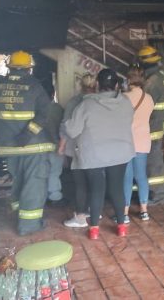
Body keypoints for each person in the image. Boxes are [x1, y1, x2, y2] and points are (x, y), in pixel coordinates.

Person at [0, 51, 55, 236]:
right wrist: (28, 133)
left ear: (9, 67)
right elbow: (45, 112)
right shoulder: (33, 86)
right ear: (28, 69)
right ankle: (29, 225)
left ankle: (19, 214)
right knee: (34, 183)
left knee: (19, 181)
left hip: (9, 148)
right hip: (32, 147)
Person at [60, 69, 135, 240]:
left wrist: (67, 124)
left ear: (97, 85)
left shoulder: (86, 105)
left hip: (93, 155)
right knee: (117, 189)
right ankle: (121, 227)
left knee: (96, 190)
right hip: (120, 152)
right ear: (117, 85)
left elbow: (72, 130)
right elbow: (129, 121)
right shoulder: (125, 102)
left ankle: (94, 230)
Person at [60, 73, 96, 228]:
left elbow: (65, 126)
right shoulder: (101, 101)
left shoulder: (74, 102)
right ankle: (93, 211)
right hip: (97, 147)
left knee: (80, 182)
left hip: (77, 146)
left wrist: (62, 145)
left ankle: (80, 217)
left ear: (80, 85)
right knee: (95, 181)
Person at [137, 45, 164, 204]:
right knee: (152, 163)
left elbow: (142, 104)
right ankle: (154, 194)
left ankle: (159, 196)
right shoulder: (159, 77)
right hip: (155, 127)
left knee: (154, 164)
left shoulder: (152, 81)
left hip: (152, 129)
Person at [123, 66, 155, 222]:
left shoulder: (123, 98)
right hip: (143, 141)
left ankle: (124, 213)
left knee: (127, 178)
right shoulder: (149, 99)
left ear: (128, 80)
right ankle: (144, 210)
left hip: (126, 142)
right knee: (141, 176)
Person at [44, 87, 64, 205]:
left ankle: (43, 195)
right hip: (55, 144)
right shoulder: (57, 109)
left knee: (42, 172)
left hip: (39, 145)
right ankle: (55, 196)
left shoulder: (36, 107)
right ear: (53, 94)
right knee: (54, 172)